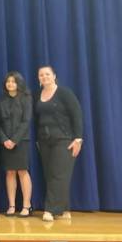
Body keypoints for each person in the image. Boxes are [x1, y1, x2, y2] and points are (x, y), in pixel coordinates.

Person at [35, 66, 83, 222]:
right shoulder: (37, 95)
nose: (44, 77)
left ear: (54, 76)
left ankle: (50, 210)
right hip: (44, 141)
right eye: (41, 75)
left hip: (64, 140)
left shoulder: (64, 93)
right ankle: (64, 209)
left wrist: (78, 139)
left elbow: (76, 115)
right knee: (51, 175)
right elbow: (36, 120)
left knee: (59, 175)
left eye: (47, 74)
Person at [0, 71, 33, 218]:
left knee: (22, 171)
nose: (10, 84)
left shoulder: (26, 98)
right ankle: (11, 205)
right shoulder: (1, 100)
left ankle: (26, 205)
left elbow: (26, 121)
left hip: (21, 141)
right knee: (10, 172)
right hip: (5, 142)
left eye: (13, 81)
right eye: (8, 81)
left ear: (18, 83)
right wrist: (5, 139)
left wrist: (14, 140)